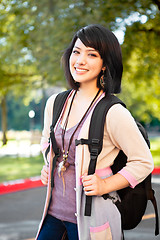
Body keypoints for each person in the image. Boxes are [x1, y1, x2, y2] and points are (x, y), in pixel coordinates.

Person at [36, 24, 154, 240]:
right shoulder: (56, 103)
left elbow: (144, 162)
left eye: (91, 54)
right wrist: (48, 163)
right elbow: (47, 141)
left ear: (104, 65)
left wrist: (105, 185)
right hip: (52, 216)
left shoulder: (113, 112)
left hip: (94, 219)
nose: (80, 60)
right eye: (76, 51)